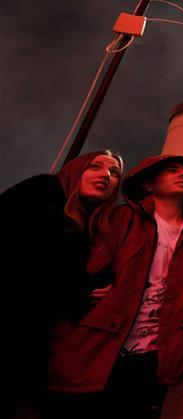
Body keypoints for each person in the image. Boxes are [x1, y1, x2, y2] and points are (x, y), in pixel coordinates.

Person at [46, 155, 183, 418]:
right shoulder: (119, 218)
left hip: (156, 353)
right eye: (173, 170)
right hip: (101, 342)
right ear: (149, 185)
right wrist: (83, 297)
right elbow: (81, 266)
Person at [1, 149, 123, 417]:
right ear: (75, 170)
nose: (105, 175)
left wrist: (103, 289)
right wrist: (79, 291)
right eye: (95, 167)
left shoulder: (92, 230)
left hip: (30, 336)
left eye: (114, 173)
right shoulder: (44, 190)